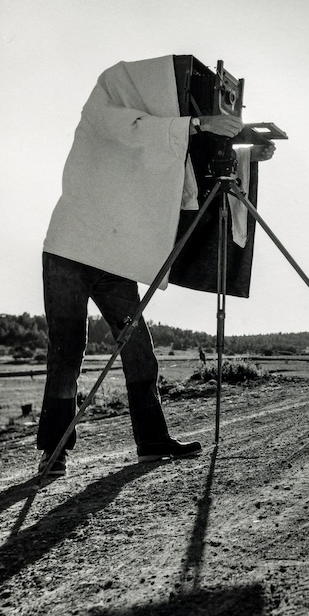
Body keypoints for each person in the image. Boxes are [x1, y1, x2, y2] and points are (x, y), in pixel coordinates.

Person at [37, 56, 273, 477]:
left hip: (113, 254)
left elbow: (183, 165)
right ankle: (53, 453)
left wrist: (246, 153)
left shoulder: (155, 130)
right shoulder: (104, 111)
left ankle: (151, 441)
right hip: (70, 250)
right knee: (66, 352)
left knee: (139, 349)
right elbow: (145, 131)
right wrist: (199, 126)